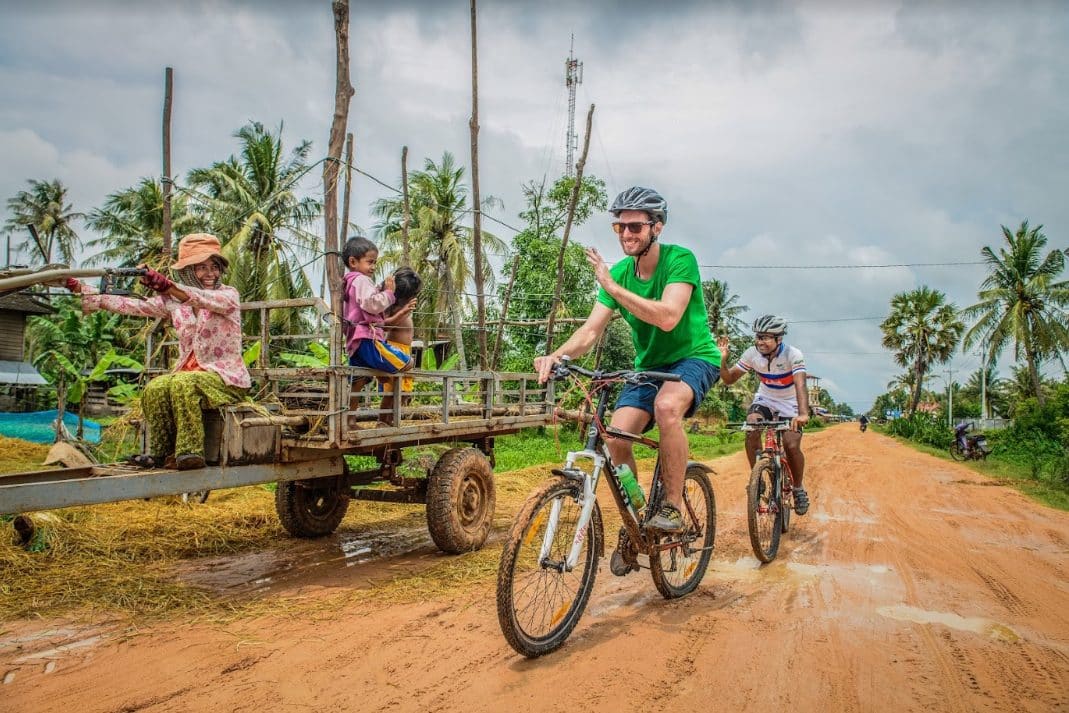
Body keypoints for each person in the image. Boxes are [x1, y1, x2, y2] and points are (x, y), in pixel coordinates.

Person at [534, 187, 722, 532]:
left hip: (694, 358)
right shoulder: (619, 273)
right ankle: (636, 522)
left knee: (667, 408)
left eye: (635, 227)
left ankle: (672, 506)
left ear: (657, 227)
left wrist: (614, 287)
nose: (626, 234)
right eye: (619, 227)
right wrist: (555, 355)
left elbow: (667, 317)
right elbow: (590, 332)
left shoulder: (680, 260)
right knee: (616, 437)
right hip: (649, 366)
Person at [60, 233, 250, 470]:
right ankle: (161, 454)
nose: (210, 273)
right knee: (155, 387)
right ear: (188, 271)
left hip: (225, 379)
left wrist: (166, 286)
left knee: (183, 383)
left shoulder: (228, 296)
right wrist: (78, 287)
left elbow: (200, 298)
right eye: (201, 268)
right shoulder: (173, 302)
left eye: (214, 267)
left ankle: (190, 452)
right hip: (189, 374)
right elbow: (133, 305)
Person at [717, 315, 811, 515]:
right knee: (751, 428)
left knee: (791, 444)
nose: (760, 342)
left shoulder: (793, 355)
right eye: (758, 337)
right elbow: (729, 379)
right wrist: (722, 361)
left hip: (790, 401)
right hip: (766, 399)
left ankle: (798, 488)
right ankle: (757, 479)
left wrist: (803, 414)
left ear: (779, 339)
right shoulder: (752, 354)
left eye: (766, 337)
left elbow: (801, 384)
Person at [341, 237, 413, 425]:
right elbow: (371, 304)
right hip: (367, 338)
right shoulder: (361, 279)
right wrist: (388, 292)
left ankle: (349, 420)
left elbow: (362, 303)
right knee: (407, 364)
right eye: (370, 261)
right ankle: (386, 419)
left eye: (375, 262)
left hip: (354, 341)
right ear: (353, 262)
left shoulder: (349, 282)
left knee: (358, 380)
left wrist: (380, 288)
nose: (373, 267)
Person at [378, 266, 421, 418]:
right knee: (392, 390)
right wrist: (403, 312)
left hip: (405, 350)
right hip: (394, 349)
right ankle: (382, 419)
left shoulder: (404, 306)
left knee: (403, 390)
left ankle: (394, 419)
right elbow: (383, 325)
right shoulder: (392, 305)